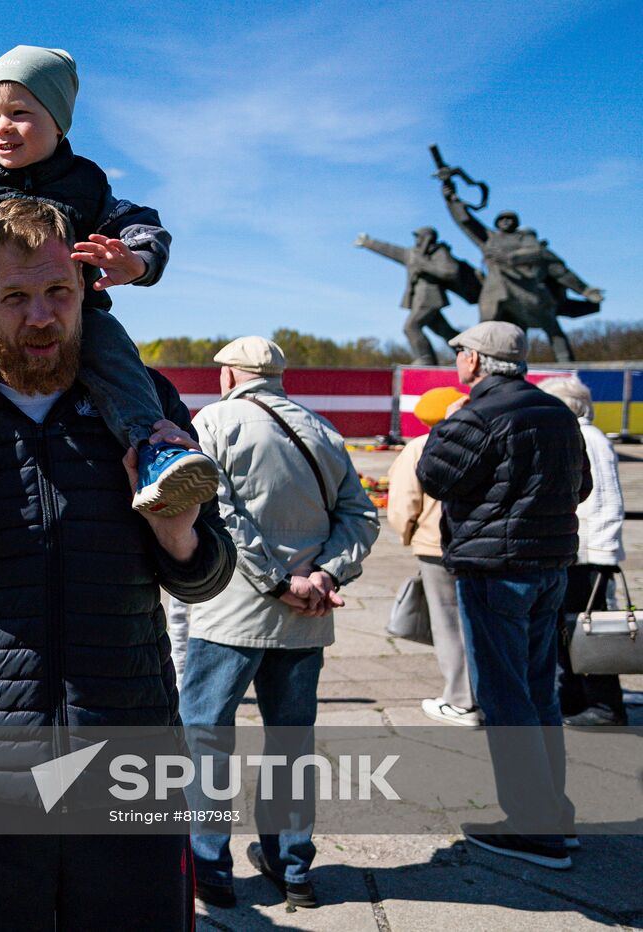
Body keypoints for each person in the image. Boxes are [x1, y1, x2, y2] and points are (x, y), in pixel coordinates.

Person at [0, 199, 236, 930]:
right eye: (16, 298)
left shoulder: (144, 404)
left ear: (86, 289)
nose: (41, 317)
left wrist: (181, 535)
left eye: (58, 293)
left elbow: (210, 570)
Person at [0, 44, 218, 544]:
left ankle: (153, 450)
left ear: (60, 124)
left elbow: (142, 226)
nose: (2, 126)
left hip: (75, 321)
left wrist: (135, 260)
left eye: (20, 114)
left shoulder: (84, 185)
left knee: (111, 346)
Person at [179, 336, 379, 909]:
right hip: (308, 618)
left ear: (231, 374)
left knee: (206, 740)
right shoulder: (322, 429)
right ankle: (293, 868)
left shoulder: (213, 421)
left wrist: (274, 580)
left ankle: (209, 870)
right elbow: (361, 516)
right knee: (291, 743)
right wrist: (325, 577)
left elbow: (216, 511)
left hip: (231, 613)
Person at [417, 321, 588, 869]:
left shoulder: (479, 413)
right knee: (539, 692)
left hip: (497, 570)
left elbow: (435, 477)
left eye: (460, 353)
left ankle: (534, 827)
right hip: (550, 568)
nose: (456, 362)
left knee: (505, 697)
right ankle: (553, 813)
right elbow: (579, 485)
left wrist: (446, 432)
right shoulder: (556, 412)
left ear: (476, 362)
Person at [386, 387, 481, 725]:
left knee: (449, 625)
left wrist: (409, 533)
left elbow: (403, 503)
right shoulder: (486, 439)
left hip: (435, 546)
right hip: (483, 548)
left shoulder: (419, 447)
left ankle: (461, 700)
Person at [539, 375, 627, 727]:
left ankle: (605, 705)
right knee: (570, 630)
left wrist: (602, 555)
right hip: (578, 553)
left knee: (590, 631)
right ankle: (575, 697)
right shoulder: (581, 436)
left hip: (587, 556)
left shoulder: (586, 439)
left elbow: (605, 502)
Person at [439, 181, 602, 361]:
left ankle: (566, 364)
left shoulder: (526, 240)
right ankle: (480, 362)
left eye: (510, 218)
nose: (506, 221)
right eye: (502, 219)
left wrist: (586, 290)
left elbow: (549, 262)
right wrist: (451, 199)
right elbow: (466, 222)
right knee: (486, 331)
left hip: (527, 292)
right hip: (496, 292)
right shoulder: (489, 239)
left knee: (552, 328)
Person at [354, 228, 479, 364]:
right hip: (418, 298)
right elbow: (391, 250)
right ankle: (469, 355)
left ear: (428, 237)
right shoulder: (413, 254)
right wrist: (368, 243)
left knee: (411, 327)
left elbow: (450, 272)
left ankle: (426, 359)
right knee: (445, 332)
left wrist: (425, 265)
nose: (417, 239)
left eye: (420, 236)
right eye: (416, 237)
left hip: (431, 297)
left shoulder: (439, 252)